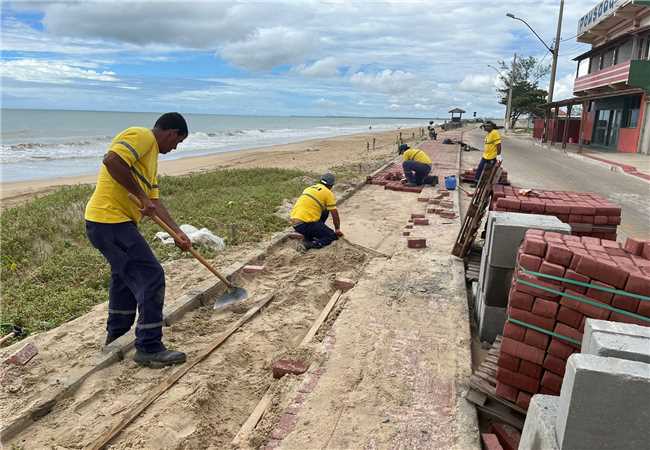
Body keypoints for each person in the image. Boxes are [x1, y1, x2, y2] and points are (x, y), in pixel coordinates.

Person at [85, 112, 190, 368]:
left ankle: (117, 335)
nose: (174, 148)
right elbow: (112, 160)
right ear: (171, 132)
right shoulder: (142, 136)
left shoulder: (151, 160)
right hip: (109, 221)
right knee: (152, 275)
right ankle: (149, 347)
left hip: (111, 223)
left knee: (123, 276)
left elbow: (154, 202)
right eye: (177, 142)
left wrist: (176, 232)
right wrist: (141, 197)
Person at [290, 173, 343, 249]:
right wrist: (337, 229)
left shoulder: (308, 188)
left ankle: (309, 235)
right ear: (331, 185)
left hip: (295, 222)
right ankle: (308, 245)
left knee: (325, 210)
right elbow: (335, 214)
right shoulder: (328, 193)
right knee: (332, 236)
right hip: (305, 224)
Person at [471, 121, 502, 188]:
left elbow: (498, 145)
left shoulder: (495, 132)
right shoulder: (489, 133)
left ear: (492, 127)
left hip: (492, 156)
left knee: (489, 171)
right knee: (480, 168)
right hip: (486, 156)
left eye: (488, 126)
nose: (486, 127)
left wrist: (498, 155)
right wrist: (483, 125)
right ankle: (477, 183)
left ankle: (488, 185)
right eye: (486, 126)